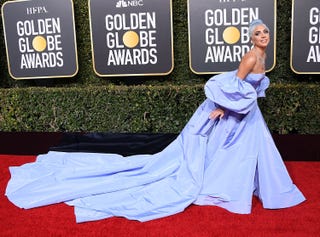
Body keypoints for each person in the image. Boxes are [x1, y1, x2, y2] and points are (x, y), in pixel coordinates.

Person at [5, 19, 305, 223]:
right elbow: (236, 85)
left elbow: (250, 88)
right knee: (228, 156)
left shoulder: (264, 55)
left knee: (249, 154)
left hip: (250, 115)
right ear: (250, 38)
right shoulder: (251, 58)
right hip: (237, 114)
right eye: (258, 34)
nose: (263, 37)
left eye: (265, 32)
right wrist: (224, 110)